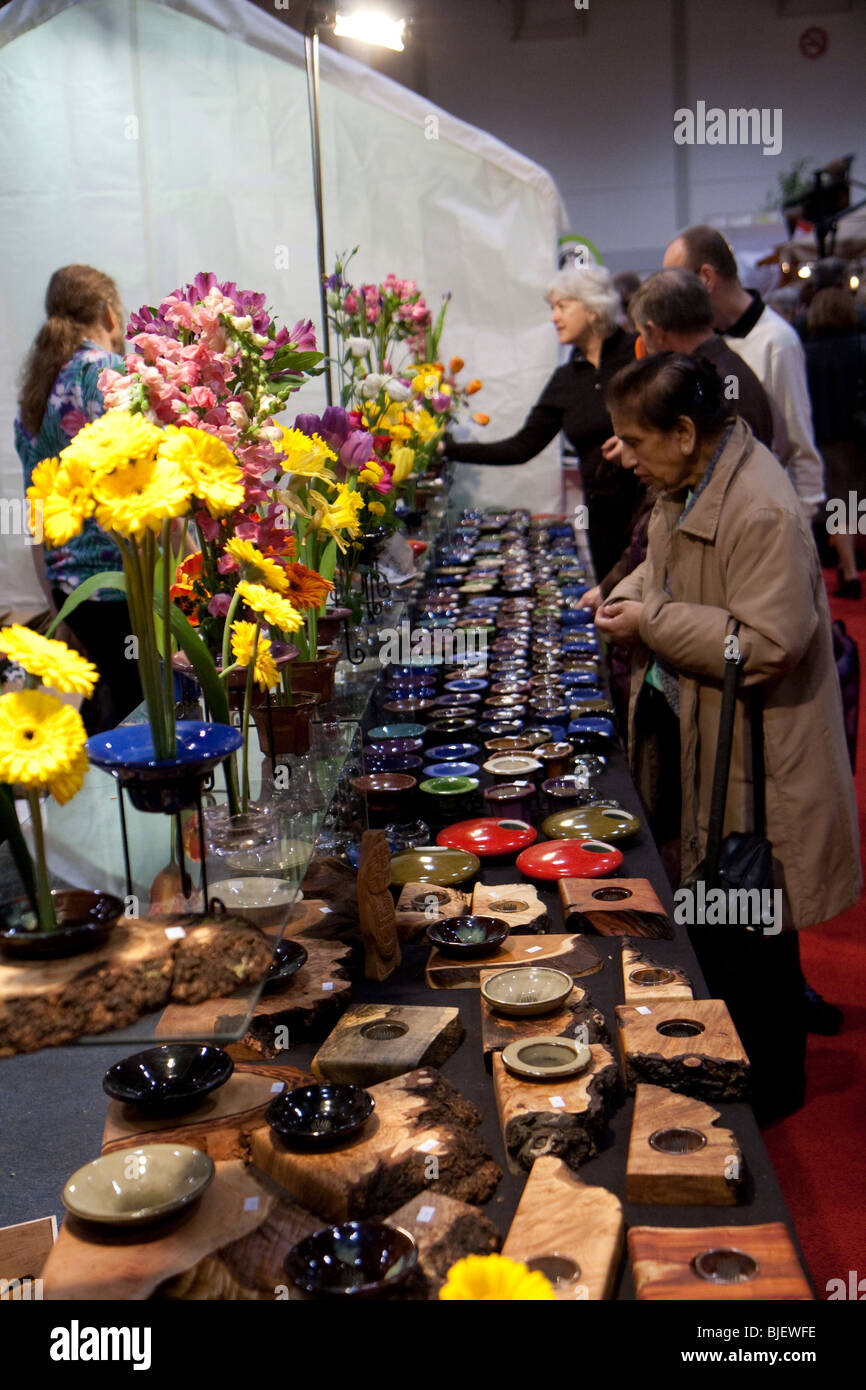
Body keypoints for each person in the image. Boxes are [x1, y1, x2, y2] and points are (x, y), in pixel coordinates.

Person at [595, 353, 860, 1122]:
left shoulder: (760, 505)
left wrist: (653, 621)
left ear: (684, 431)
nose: (629, 459)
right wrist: (632, 592)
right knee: (725, 921)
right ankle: (733, 1069)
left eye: (637, 442)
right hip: (711, 736)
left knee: (756, 931)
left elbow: (767, 644)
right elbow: (668, 569)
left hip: (760, 756)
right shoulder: (692, 478)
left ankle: (772, 1092)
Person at [445, 264, 641, 583]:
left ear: (593, 308)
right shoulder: (567, 378)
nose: (554, 318)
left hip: (646, 509)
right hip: (601, 518)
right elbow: (522, 447)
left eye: (562, 307)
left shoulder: (638, 354)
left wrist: (635, 442)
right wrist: (446, 449)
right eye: (553, 308)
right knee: (614, 609)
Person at [15, 265, 142, 733]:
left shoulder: (35, 395)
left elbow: (36, 513)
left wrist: (56, 605)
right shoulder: (111, 376)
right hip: (128, 584)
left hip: (77, 595)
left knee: (112, 713)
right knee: (146, 720)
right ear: (110, 315)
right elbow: (142, 487)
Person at [663, 225, 825, 517]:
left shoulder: (777, 341)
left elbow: (798, 442)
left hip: (766, 513)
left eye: (677, 283)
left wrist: (804, 516)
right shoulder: (704, 340)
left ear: (706, 278)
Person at [804, 287, 866, 598]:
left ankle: (850, 569)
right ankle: (851, 566)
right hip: (860, 434)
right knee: (855, 502)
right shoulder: (861, 346)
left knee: (840, 504)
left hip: (828, 435)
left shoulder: (807, 353)